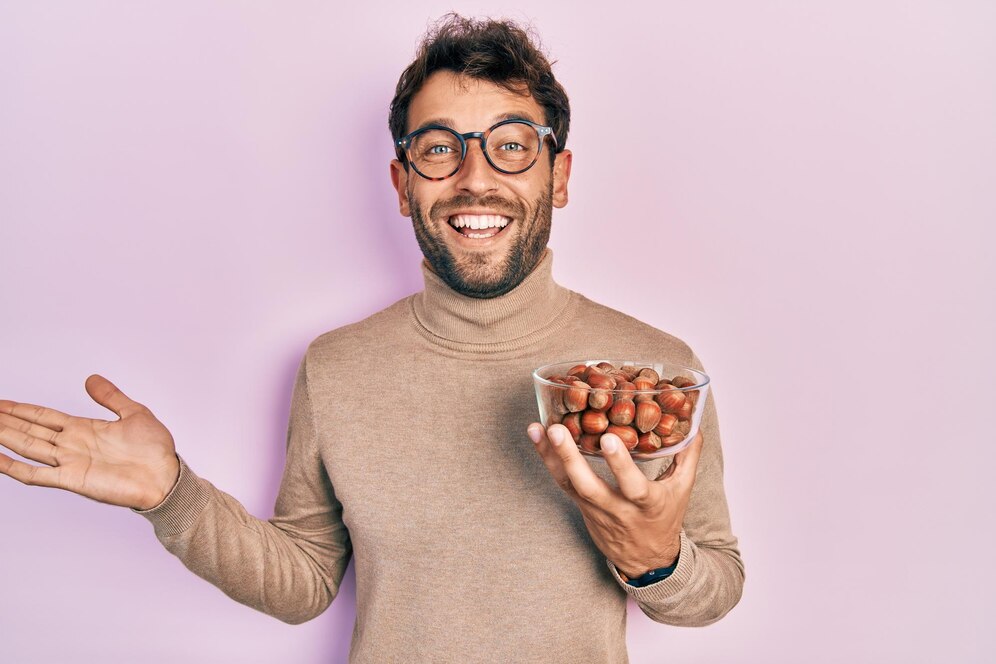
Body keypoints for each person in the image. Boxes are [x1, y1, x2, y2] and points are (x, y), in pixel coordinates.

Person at [0, 14, 744, 662]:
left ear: (559, 176)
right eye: (439, 148)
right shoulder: (336, 366)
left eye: (513, 146)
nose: (474, 178)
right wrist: (171, 496)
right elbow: (305, 584)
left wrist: (657, 563)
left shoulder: (659, 374)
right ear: (401, 183)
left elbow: (712, 591)